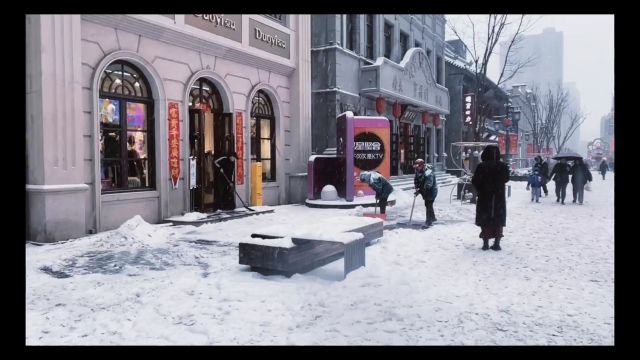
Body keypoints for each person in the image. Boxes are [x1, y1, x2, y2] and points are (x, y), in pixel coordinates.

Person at [471, 145, 510, 251]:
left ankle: (485, 243)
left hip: (485, 196)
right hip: (498, 196)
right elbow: (506, 178)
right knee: (498, 219)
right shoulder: (503, 166)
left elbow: (475, 181)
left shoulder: (481, 166)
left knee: (485, 219)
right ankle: (497, 243)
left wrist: (481, 188)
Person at [413, 159, 438, 227]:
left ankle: (428, 221)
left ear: (422, 165)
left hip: (431, 191)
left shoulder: (429, 172)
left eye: (418, 167)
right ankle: (433, 218)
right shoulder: (418, 171)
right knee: (428, 204)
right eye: (416, 167)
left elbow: (428, 184)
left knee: (428, 204)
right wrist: (417, 187)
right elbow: (416, 180)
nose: (417, 168)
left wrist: (419, 191)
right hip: (424, 191)